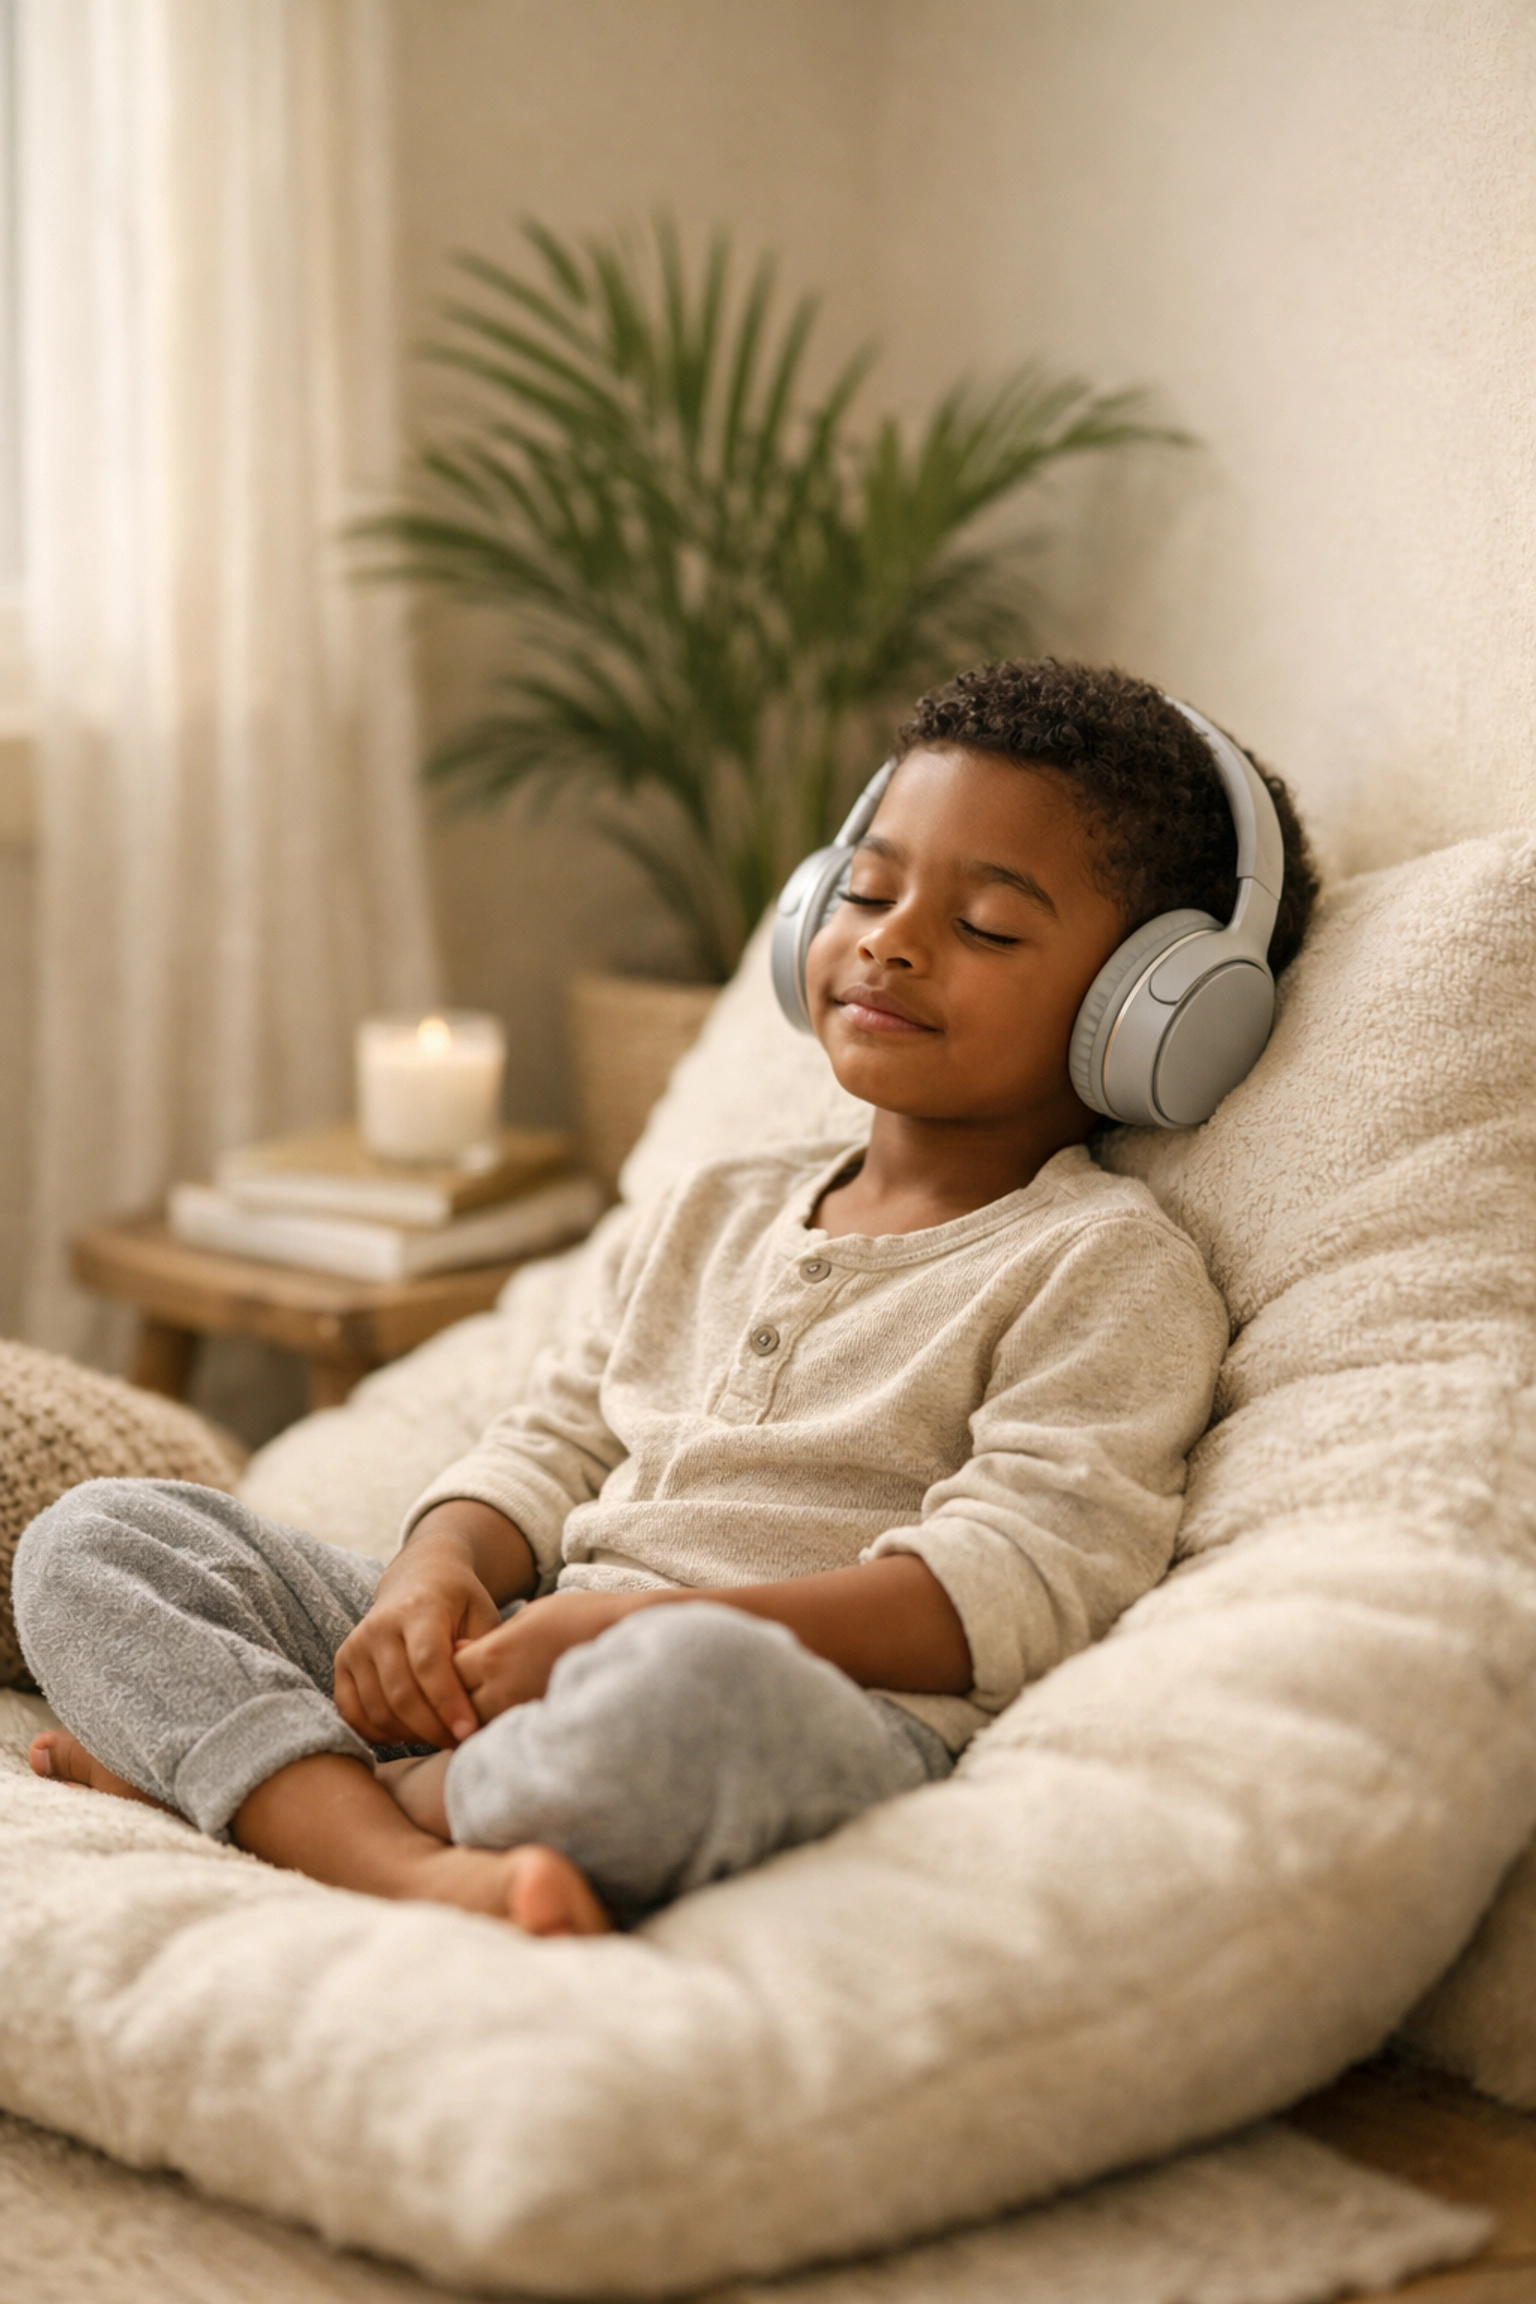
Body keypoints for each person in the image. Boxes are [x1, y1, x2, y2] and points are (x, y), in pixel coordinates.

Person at [15, 660, 1318, 1939]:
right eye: (866, 890)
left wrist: (635, 1631)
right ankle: (386, 1828)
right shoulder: (713, 1204)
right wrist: (433, 1573)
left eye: (984, 926)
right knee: (94, 1541)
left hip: (779, 1698)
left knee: (686, 1703)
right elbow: (554, 1438)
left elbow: (1015, 1585)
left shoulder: (1105, 1267)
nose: (891, 943)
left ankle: (301, 1805)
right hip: (529, 1653)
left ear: (1151, 1011)